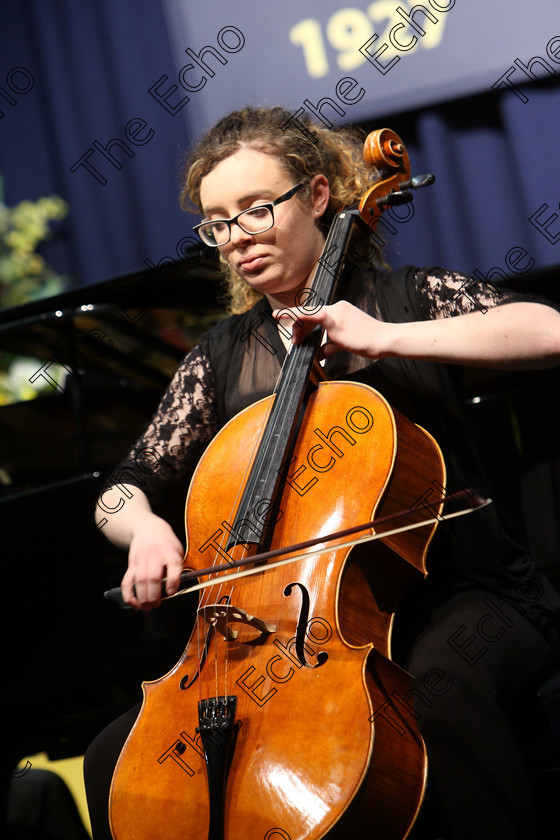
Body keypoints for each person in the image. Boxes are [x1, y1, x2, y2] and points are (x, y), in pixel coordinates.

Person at [84, 106, 560, 839]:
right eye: (218, 222)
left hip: (462, 596)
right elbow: (127, 483)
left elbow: (549, 330)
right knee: (115, 753)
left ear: (315, 196)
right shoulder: (221, 357)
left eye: (255, 209)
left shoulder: (404, 299)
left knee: (435, 697)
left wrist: (387, 337)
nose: (237, 237)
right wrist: (142, 529)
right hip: (289, 629)